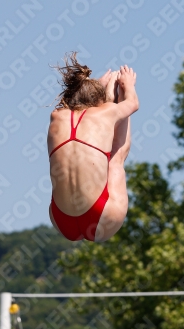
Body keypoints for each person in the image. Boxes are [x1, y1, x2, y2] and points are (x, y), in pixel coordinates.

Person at [47, 52, 138, 242]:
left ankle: (109, 95)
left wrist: (95, 86)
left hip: (61, 219)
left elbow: (81, 99)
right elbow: (133, 104)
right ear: (100, 102)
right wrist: (127, 86)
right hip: (102, 217)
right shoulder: (107, 112)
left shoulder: (56, 116)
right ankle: (116, 96)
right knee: (115, 160)